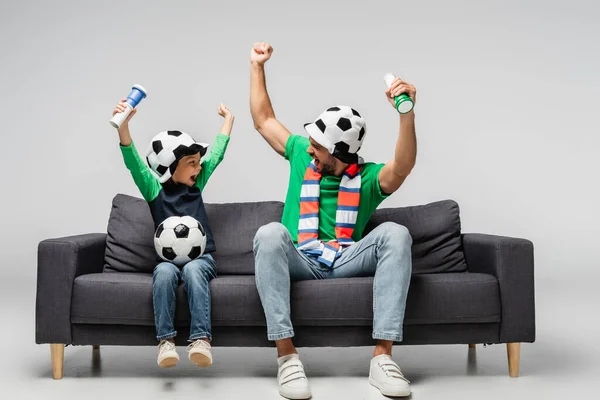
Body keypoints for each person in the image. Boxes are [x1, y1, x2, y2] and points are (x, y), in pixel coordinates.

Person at [249, 42, 417, 399]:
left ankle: (383, 359)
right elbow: (263, 120)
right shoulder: (299, 154)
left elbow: (402, 167)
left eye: (317, 146)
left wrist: (407, 113)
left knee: (396, 233)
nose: (309, 148)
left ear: (339, 153)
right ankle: (287, 358)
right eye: (309, 142)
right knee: (268, 233)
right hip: (300, 257)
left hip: (346, 257)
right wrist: (257, 66)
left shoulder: (369, 178)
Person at [111, 99, 234, 368]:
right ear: (170, 168)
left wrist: (228, 120)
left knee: (192, 271)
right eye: (191, 163)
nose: (198, 168)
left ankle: (201, 339)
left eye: (198, 162)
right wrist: (123, 126)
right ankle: (166, 342)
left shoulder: (197, 184)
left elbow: (217, 154)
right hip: (167, 260)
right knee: (164, 273)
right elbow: (133, 162)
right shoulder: (154, 191)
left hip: (202, 259)